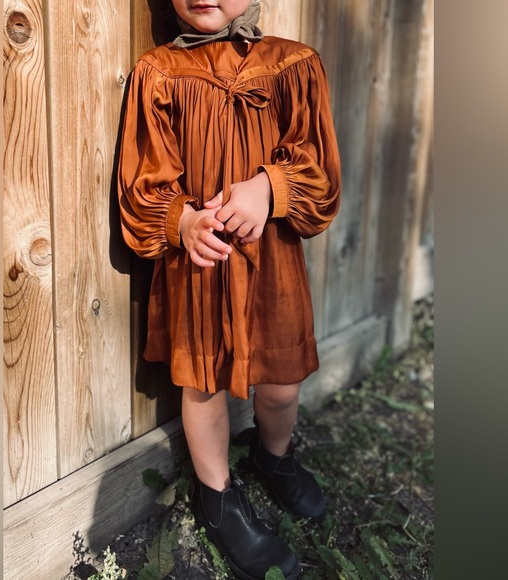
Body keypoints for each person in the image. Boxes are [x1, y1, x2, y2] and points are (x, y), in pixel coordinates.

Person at [118, 1, 341, 578]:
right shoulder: (159, 73)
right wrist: (182, 222)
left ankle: (274, 457)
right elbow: (142, 182)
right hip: (201, 266)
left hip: (272, 263)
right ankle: (216, 495)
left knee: (282, 386)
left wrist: (269, 187)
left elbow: (319, 171)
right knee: (203, 386)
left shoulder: (292, 65)